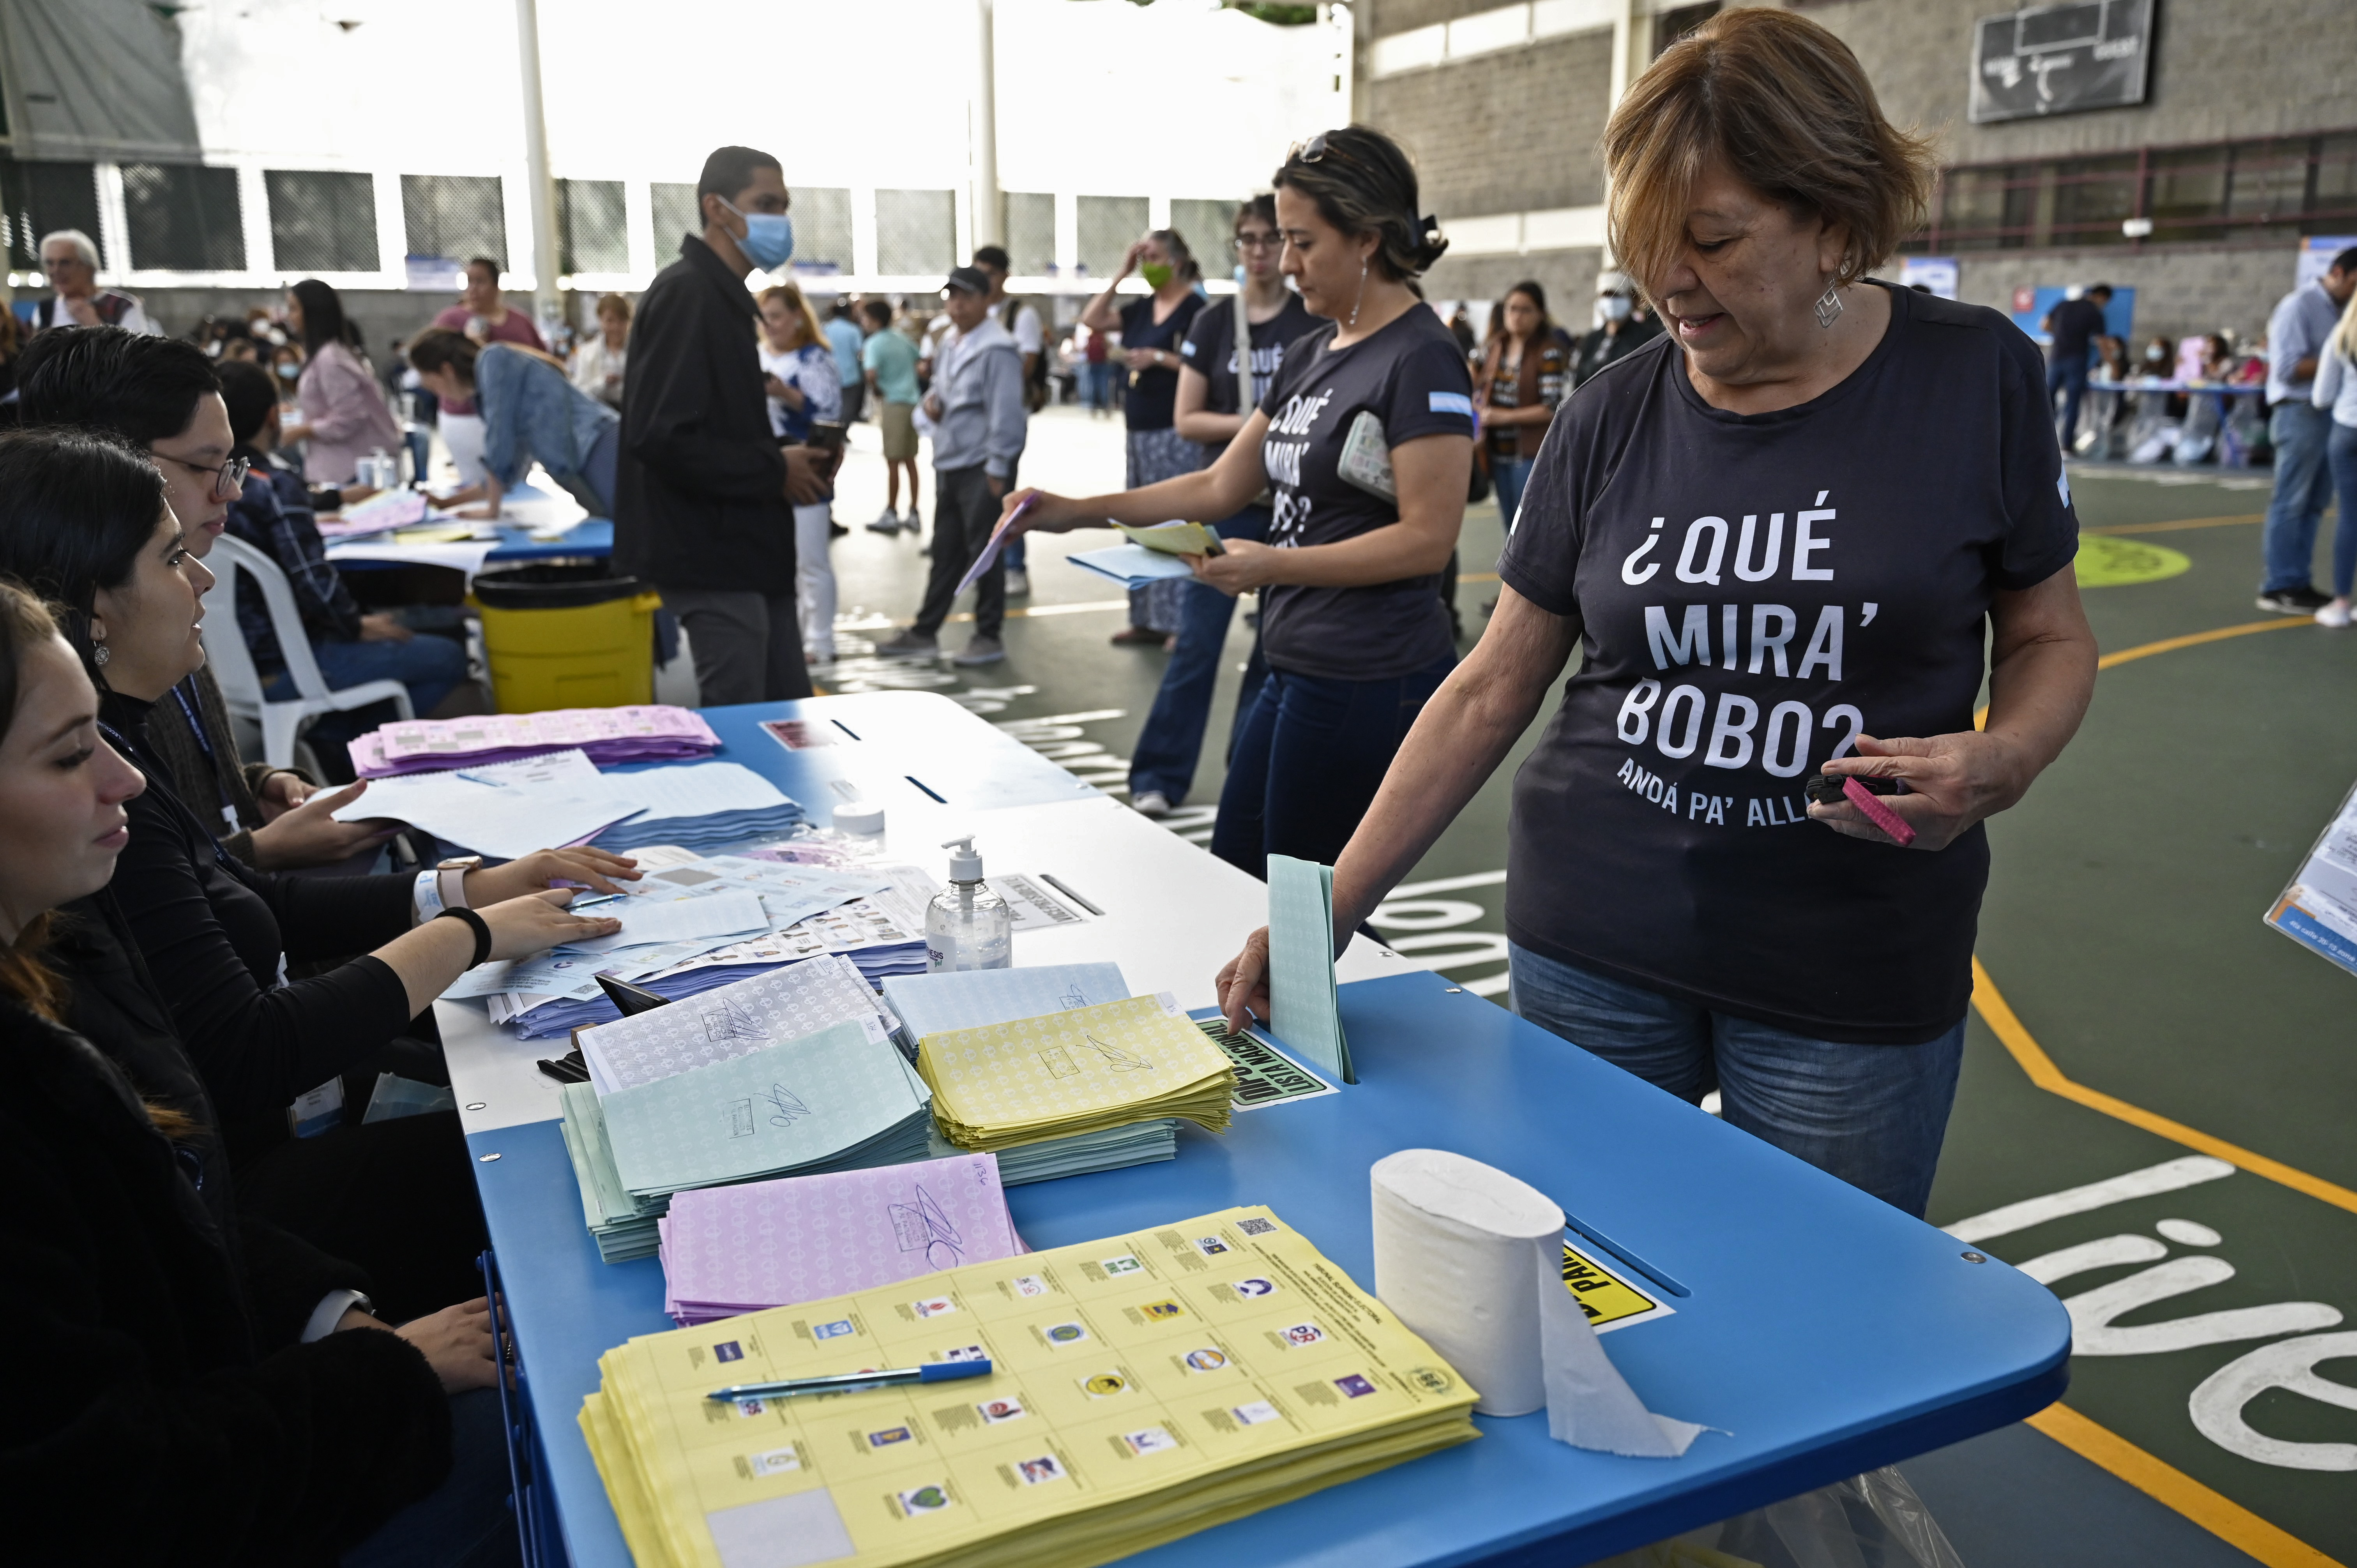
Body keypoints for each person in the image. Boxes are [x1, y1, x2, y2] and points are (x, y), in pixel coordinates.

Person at [1216, 10, 2097, 1221]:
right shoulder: (1612, 411)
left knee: (1825, 1304)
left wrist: (2007, 755)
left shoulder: (1975, 377)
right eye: (1646, 245)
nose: (1670, 283)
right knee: (1588, 1290)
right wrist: (1327, 911)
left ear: (1837, 220)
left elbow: (2048, 634)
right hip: (1596, 947)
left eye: (1717, 242)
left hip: (1850, 973)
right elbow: (1488, 688)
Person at [0, 426, 639, 1298]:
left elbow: (239, 896)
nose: (204, 574)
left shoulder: (115, 751)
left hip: (264, 1193)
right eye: (173, 554)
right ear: (91, 610)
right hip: (268, 1195)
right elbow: (249, 1048)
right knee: (566, 1150)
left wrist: (465, 885)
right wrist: (468, 930)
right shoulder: (100, 809)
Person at [0, 577, 525, 1565]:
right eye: (72, 752)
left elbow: (179, 1210)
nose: (128, 780)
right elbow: (109, 1490)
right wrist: (388, 1370)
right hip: (224, 1486)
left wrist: (340, 1319)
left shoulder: (57, 947)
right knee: (549, 1436)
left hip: (250, 1400)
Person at [1008, 126, 1472, 877]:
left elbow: (1427, 538)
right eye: (1279, 242)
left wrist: (1275, 563)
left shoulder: (1420, 357)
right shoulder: (1310, 352)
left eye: (1302, 242)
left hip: (1365, 670)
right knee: (1237, 869)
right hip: (1292, 656)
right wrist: (1073, 509)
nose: (1286, 265)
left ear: (1367, 238)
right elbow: (1219, 485)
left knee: (1305, 902)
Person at [15, 327, 390, 868]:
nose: (231, 490)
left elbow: (190, 785)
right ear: (106, 466)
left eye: (231, 464)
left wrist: (259, 784)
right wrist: (258, 852)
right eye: (201, 466)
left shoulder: (168, 591)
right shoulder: (77, 661)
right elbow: (147, 887)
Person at [614, 146, 832, 706]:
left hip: (747, 549)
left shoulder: (725, 300)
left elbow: (714, 424)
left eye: (783, 206)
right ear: (716, 208)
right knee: (745, 723)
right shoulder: (690, 295)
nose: (778, 221)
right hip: (710, 553)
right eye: (764, 204)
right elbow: (662, 437)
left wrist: (785, 453)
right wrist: (771, 467)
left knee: (784, 714)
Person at [1124, 196, 1314, 819]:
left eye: (1272, 238)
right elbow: (1186, 418)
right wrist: (1260, 426)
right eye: (1249, 240)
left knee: (1272, 656)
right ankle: (1159, 773)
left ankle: (1245, 773)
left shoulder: (1309, 324)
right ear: (1236, 248)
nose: (1260, 252)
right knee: (1197, 641)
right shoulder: (1212, 323)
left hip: (1290, 508)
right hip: (1228, 501)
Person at [216, 360, 471, 730]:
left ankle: (329, 730)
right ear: (274, 417)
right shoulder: (276, 486)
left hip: (230, 666)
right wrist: (354, 625)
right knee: (447, 653)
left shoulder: (210, 485)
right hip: (292, 663)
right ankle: (347, 740)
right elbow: (313, 581)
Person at [873, 268, 1028, 667]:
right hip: (951, 461)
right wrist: (932, 406)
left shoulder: (998, 349)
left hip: (982, 467)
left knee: (984, 554)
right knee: (946, 550)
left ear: (985, 300)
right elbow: (941, 392)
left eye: (966, 297)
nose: (956, 305)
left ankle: (988, 635)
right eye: (951, 297)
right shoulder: (950, 344)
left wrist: (998, 468)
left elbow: (1007, 413)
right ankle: (925, 631)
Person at [1081, 230, 1208, 646]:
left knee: (1175, 524)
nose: (1147, 263)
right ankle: (1145, 618)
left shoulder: (1196, 310)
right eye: (1142, 256)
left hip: (1174, 431)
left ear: (1175, 260)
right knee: (1139, 523)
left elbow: (1202, 364)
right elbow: (1093, 319)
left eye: (1152, 256)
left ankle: (1176, 621)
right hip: (1138, 431)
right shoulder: (1141, 310)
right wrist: (1122, 271)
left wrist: (1159, 358)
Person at [406, 327, 621, 521]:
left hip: (600, 444)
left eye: (434, 386)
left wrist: (491, 510)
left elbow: (499, 442)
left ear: (447, 371)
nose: (439, 396)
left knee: (629, 531)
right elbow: (508, 471)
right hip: (581, 463)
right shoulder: (483, 397)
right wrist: (447, 503)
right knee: (613, 530)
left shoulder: (493, 359)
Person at [2256, 246, 2357, 614]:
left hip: (2326, 413)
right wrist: (2344, 354)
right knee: (2292, 500)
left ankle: (2298, 580)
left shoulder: (2341, 311)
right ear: (2338, 273)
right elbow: (2285, 368)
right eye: (2355, 283)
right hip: (2299, 411)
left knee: (2314, 504)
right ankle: (2279, 584)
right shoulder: (2298, 307)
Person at [756, 283, 844, 666]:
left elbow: (829, 413)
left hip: (807, 468)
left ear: (797, 317)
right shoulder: (754, 354)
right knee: (779, 566)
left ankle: (821, 641)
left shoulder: (815, 360)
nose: (770, 324)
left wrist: (786, 394)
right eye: (766, 317)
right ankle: (793, 639)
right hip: (765, 470)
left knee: (811, 562)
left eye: (777, 316)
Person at [429, 258, 547, 487]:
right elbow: (433, 367)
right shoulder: (450, 320)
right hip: (465, 416)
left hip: (516, 417)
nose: (473, 289)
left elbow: (541, 362)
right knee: (477, 482)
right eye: (469, 282)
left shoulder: (520, 322)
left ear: (496, 285)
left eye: (480, 282)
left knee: (512, 484)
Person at [279, 279, 404, 488]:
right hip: (336, 468)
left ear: (313, 312)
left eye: (294, 309)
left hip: (351, 472)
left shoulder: (331, 360)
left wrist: (302, 431)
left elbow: (349, 417)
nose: (288, 316)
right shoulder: (321, 356)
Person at [973, 246, 1047, 595]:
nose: (984, 280)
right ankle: (985, 565)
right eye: (978, 272)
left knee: (1005, 491)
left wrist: (996, 386)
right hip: (975, 421)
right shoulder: (974, 316)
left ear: (1004, 275)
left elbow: (1027, 362)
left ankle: (1015, 566)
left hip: (1008, 417)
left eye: (990, 272)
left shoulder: (1021, 314)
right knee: (980, 496)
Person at [1475, 281, 1570, 531]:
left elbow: (1551, 408)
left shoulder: (1549, 352)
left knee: (1529, 527)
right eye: (1511, 309)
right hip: (1498, 452)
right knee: (1509, 525)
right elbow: (1478, 384)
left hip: (1530, 455)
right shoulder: (1497, 347)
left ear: (1540, 314)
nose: (1516, 316)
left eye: (1525, 310)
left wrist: (1503, 417)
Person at [2310, 291, 2357, 627]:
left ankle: (2341, 602)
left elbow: (2321, 397)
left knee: (2350, 519)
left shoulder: (2340, 338)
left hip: (2346, 431)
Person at [862, 297, 924, 533]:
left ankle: (891, 511)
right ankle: (915, 511)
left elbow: (870, 373)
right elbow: (920, 361)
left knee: (893, 462)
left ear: (875, 320)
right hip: (912, 403)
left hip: (894, 405)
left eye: (866, 318)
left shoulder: (874, 344)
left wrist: (879, 390)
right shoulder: (902, 338)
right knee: (910, 461)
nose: (863, 322)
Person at [29, 229, 155, 335]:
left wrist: (94, 324)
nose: (56, 271)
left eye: (65, 263)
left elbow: (134, 358)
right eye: (50, 263)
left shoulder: (123, 307)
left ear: (89, 267)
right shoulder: (45, 310)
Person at [2040, 283, 2111, 453]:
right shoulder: (2094, 312)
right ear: (2102, 297)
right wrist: (2111, 362)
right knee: (2073, 403)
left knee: (2047, 402)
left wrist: (2061, 336)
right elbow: (2102, 342)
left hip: (2056, 357)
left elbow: (2044, 325)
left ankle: (2039, 441)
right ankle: (2066, 445)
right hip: (2076, 360)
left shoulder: (2063, 304)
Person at [1571, 270, 1662, 386]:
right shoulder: (1591, 340)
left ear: (1632, 297)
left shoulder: (1649, 338)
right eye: (1606, 295)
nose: (1610, 301)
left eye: (1616, 295)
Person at [570, 291, 633, 409]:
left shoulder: (639, 353)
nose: (616, 327)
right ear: (600, 320)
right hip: (597, 414)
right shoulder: (586, 353)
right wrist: (603, 383)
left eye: (622, 321)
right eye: (610, 321)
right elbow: (579, 393)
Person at [824, 297, 867, 426]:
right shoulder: (853, 330)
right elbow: (861, 352)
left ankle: (834, 430)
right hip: (850, 374)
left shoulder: (826, 328)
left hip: (829, 373)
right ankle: (842, 432)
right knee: (848, 406)